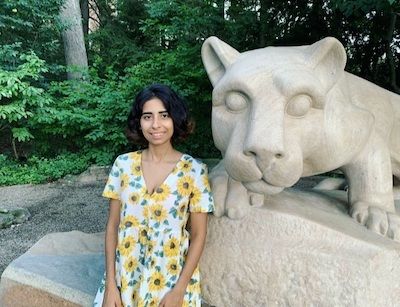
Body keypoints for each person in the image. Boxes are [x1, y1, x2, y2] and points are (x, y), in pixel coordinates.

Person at [93, 83, 214, 307]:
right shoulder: (123, 165)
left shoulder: (195, 171)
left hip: (171, 281)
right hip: (125, 278)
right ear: (139, 122)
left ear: (175, 119)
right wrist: (111, 284)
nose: (156, 124)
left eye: (164, 115)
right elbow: (113, 227)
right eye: (147, 116)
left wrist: (179, 291)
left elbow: (198, 235)